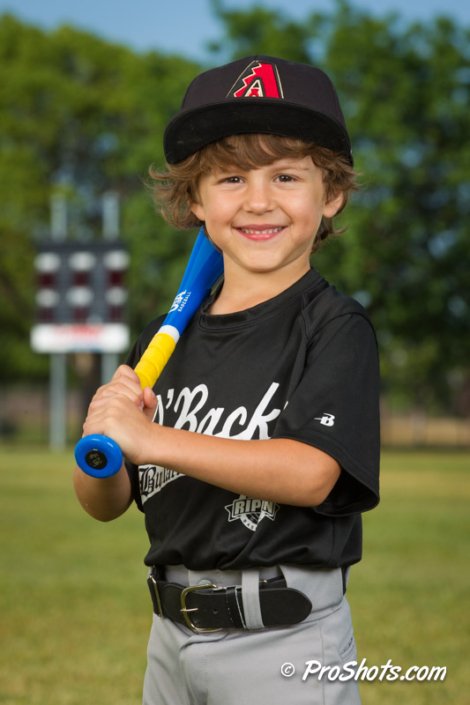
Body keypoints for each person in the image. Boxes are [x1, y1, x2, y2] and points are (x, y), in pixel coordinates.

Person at [74, 55, 380, 705]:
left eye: (288, 175)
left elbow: (309, 472)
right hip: (169, 635)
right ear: (196, 200)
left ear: (331, 194)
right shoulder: (164, 338)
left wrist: (150, 438)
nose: (259, 199)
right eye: (232, 177)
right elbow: (106, 502)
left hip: (285, 639)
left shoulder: (334, 327)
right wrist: (103, 446)